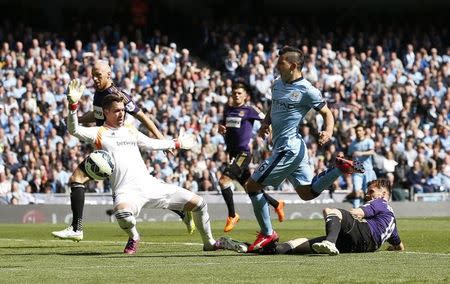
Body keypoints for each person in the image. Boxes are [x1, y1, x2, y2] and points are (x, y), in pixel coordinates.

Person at [58, 86, 221, 254]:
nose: (121, 114)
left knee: (200, 204)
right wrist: (73, 105)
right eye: (116, 111)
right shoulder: (99, 133)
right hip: (126, 192)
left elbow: (150, 143)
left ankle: (209, 242)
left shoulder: (130, 130)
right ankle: (134, 237)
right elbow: (74, 129)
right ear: (106, 112)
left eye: (123, 110)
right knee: (123, 215)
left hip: (150, 185)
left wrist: (176, 143)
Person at [52, 61, 193, 241]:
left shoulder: (117, 95)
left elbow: (142, 116)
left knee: (86, 180)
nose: (94, 78)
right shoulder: (99, 94)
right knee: (85, 180)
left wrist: (160, 138)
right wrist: (78, 118)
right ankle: (180, 212)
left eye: (98, 75)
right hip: (105, 144)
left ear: (108, 75)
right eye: (93, 75)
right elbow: (97, 115)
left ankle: (77, 228)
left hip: (119, 145)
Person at [244, 46, 364, 252]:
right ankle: (339, 169)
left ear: (292, 65)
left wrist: (328, 131)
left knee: (253, 186)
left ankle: (267, 233)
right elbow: (273, 107)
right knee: (307, 193)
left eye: (280, 62)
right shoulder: (277, 84)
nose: (276, 64)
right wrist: (265, 123)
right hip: (293, 148)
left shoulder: (307, 89)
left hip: (288, 148)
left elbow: (327, 113)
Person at [220, 179, 405, 255]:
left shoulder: (380, 202)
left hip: (362, 235)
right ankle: (252, 248)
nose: (368, 195)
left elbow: (357, 213)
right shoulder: (392, 221)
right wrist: (392, 249)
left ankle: (330, 242)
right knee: (298, 245)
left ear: (383, 194)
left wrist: (349, 215)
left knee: (331, 211)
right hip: (361, 247)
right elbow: (399, 245)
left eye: (371, 192)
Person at [218, 81, 285, 232]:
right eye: (234, 93)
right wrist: (221, 128)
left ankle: (232, 215)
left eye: (239, 93)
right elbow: (224, 128)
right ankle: (276, 204)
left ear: (245, 96)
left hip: (243, 153)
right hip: (232, 154)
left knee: (223, 181)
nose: (236, 95)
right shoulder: (227, 110)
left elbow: (267, 119)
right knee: (250, 187)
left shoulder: (249, 110)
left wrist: (271, 133)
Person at [348, 124, 377, 207]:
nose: (358, 132)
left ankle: (367, 211)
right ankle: (355, 212)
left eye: (360, 130)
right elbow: (350, 157)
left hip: (368, 170)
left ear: (364, 132)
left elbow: (372, 152)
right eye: (357, 131)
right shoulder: (352, 144)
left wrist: (361, 153)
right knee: (357, 191)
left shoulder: (369, 141)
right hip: (357, 171)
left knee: (367, 193)